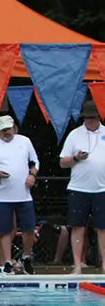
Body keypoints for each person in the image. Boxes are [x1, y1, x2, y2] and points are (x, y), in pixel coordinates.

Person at [0, 115, 39, 275]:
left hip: (24, 195)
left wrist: (32, 175)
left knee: (29, 228)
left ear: (14, 128)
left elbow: (34, 161)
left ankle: (26, 257)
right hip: (3, 195)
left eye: (9, 129)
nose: (7, 132)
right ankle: (6, 261)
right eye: (3, 130)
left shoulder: (24, 141)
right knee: (4, 230)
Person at [58, 100, 105, 274]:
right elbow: (63, 162)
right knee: (77, 227)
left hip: (102, 189)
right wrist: (76, 158)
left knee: (103, 228)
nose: (90, 121)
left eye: (93, 118)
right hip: (79, 188)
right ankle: (77, 265)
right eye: (87, 118)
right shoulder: (74, 135)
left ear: (98, 117)